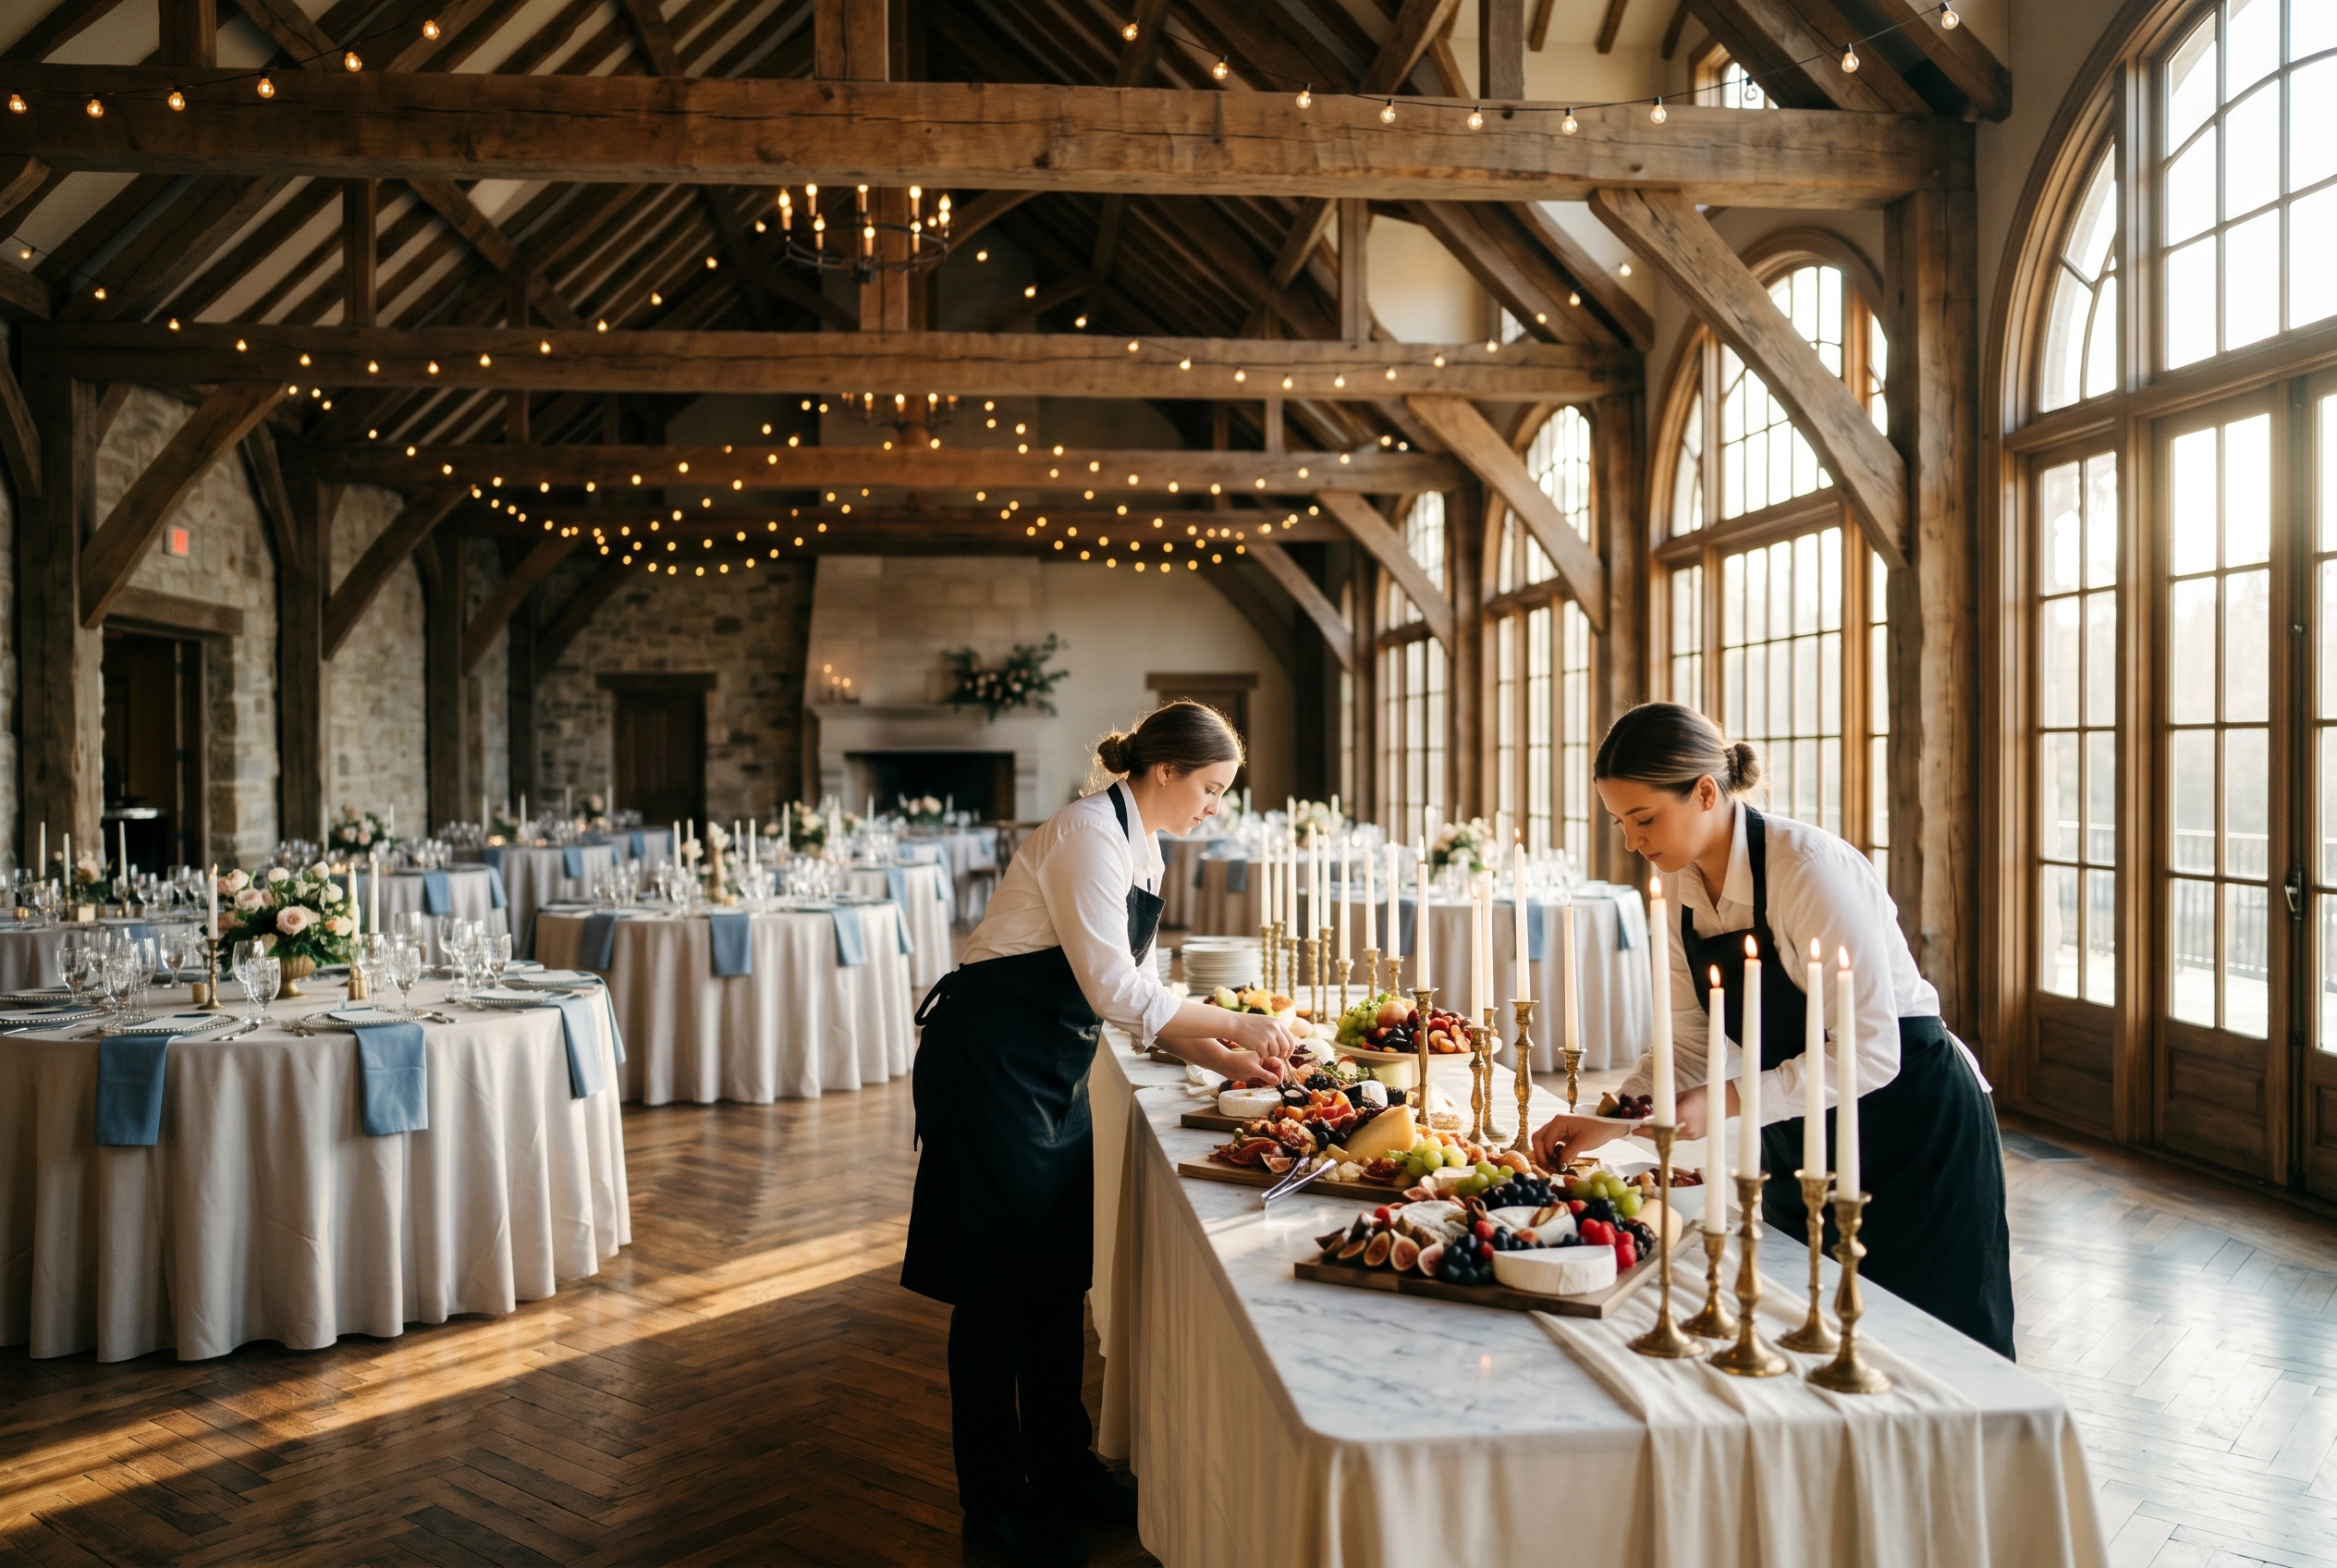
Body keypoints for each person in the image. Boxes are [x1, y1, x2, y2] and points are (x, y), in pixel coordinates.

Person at [901, 701, 1302, 1568]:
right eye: (1211, 788)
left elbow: (1142, 1008)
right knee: (994, 1291)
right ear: (1165, 772)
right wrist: (1241, 1030)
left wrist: (1234, 1064)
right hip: (988, 1070)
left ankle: (1061, 1464)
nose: (1214, 808)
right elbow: (1118, 990)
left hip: (1045, 1072)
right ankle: (994, 1501)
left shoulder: (1141, 846)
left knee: (1049, 1274)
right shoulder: (1089, 833)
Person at [1532, 703, 2014, 1358]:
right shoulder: (1676, 887)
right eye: (1620, 822)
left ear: (1706, 792)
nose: (1631, 842)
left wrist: (1729, 1099)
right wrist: (1609, 1118)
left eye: (1644, 819)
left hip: (1914, 1128)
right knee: (1806, 1336)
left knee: (1935, 1354)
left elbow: (1871, 1049)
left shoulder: (1807, 869)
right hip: (1801, 1129)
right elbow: (1689, 1043)